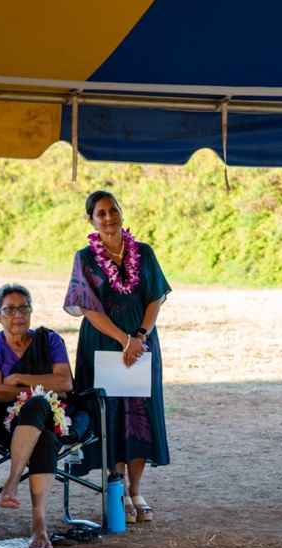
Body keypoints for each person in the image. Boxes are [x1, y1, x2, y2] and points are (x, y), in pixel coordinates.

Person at [65, 191, 171, 523]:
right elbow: (87, 307)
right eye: (100, 213)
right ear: (91, 220)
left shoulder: (144, 252)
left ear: (121, 213)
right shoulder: (84, 258)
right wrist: (123, 339)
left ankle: (136, 489)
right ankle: (117, 488)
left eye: (113, 210)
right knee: (109, 413)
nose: (109, 217)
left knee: (139, 413)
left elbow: (156, 297)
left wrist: (138, 337)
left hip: (141, 344)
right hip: (102, 343)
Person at [0, 284, 74, 548]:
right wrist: (43, 386)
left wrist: (19, 379)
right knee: (40, 414)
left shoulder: (49, 340)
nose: (18, 314)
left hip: (56, 417)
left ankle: (12, 483)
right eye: (10, 309)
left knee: (39, 406)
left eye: (23, 308)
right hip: (8, 421)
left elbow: (65, 382)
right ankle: (39, 526)